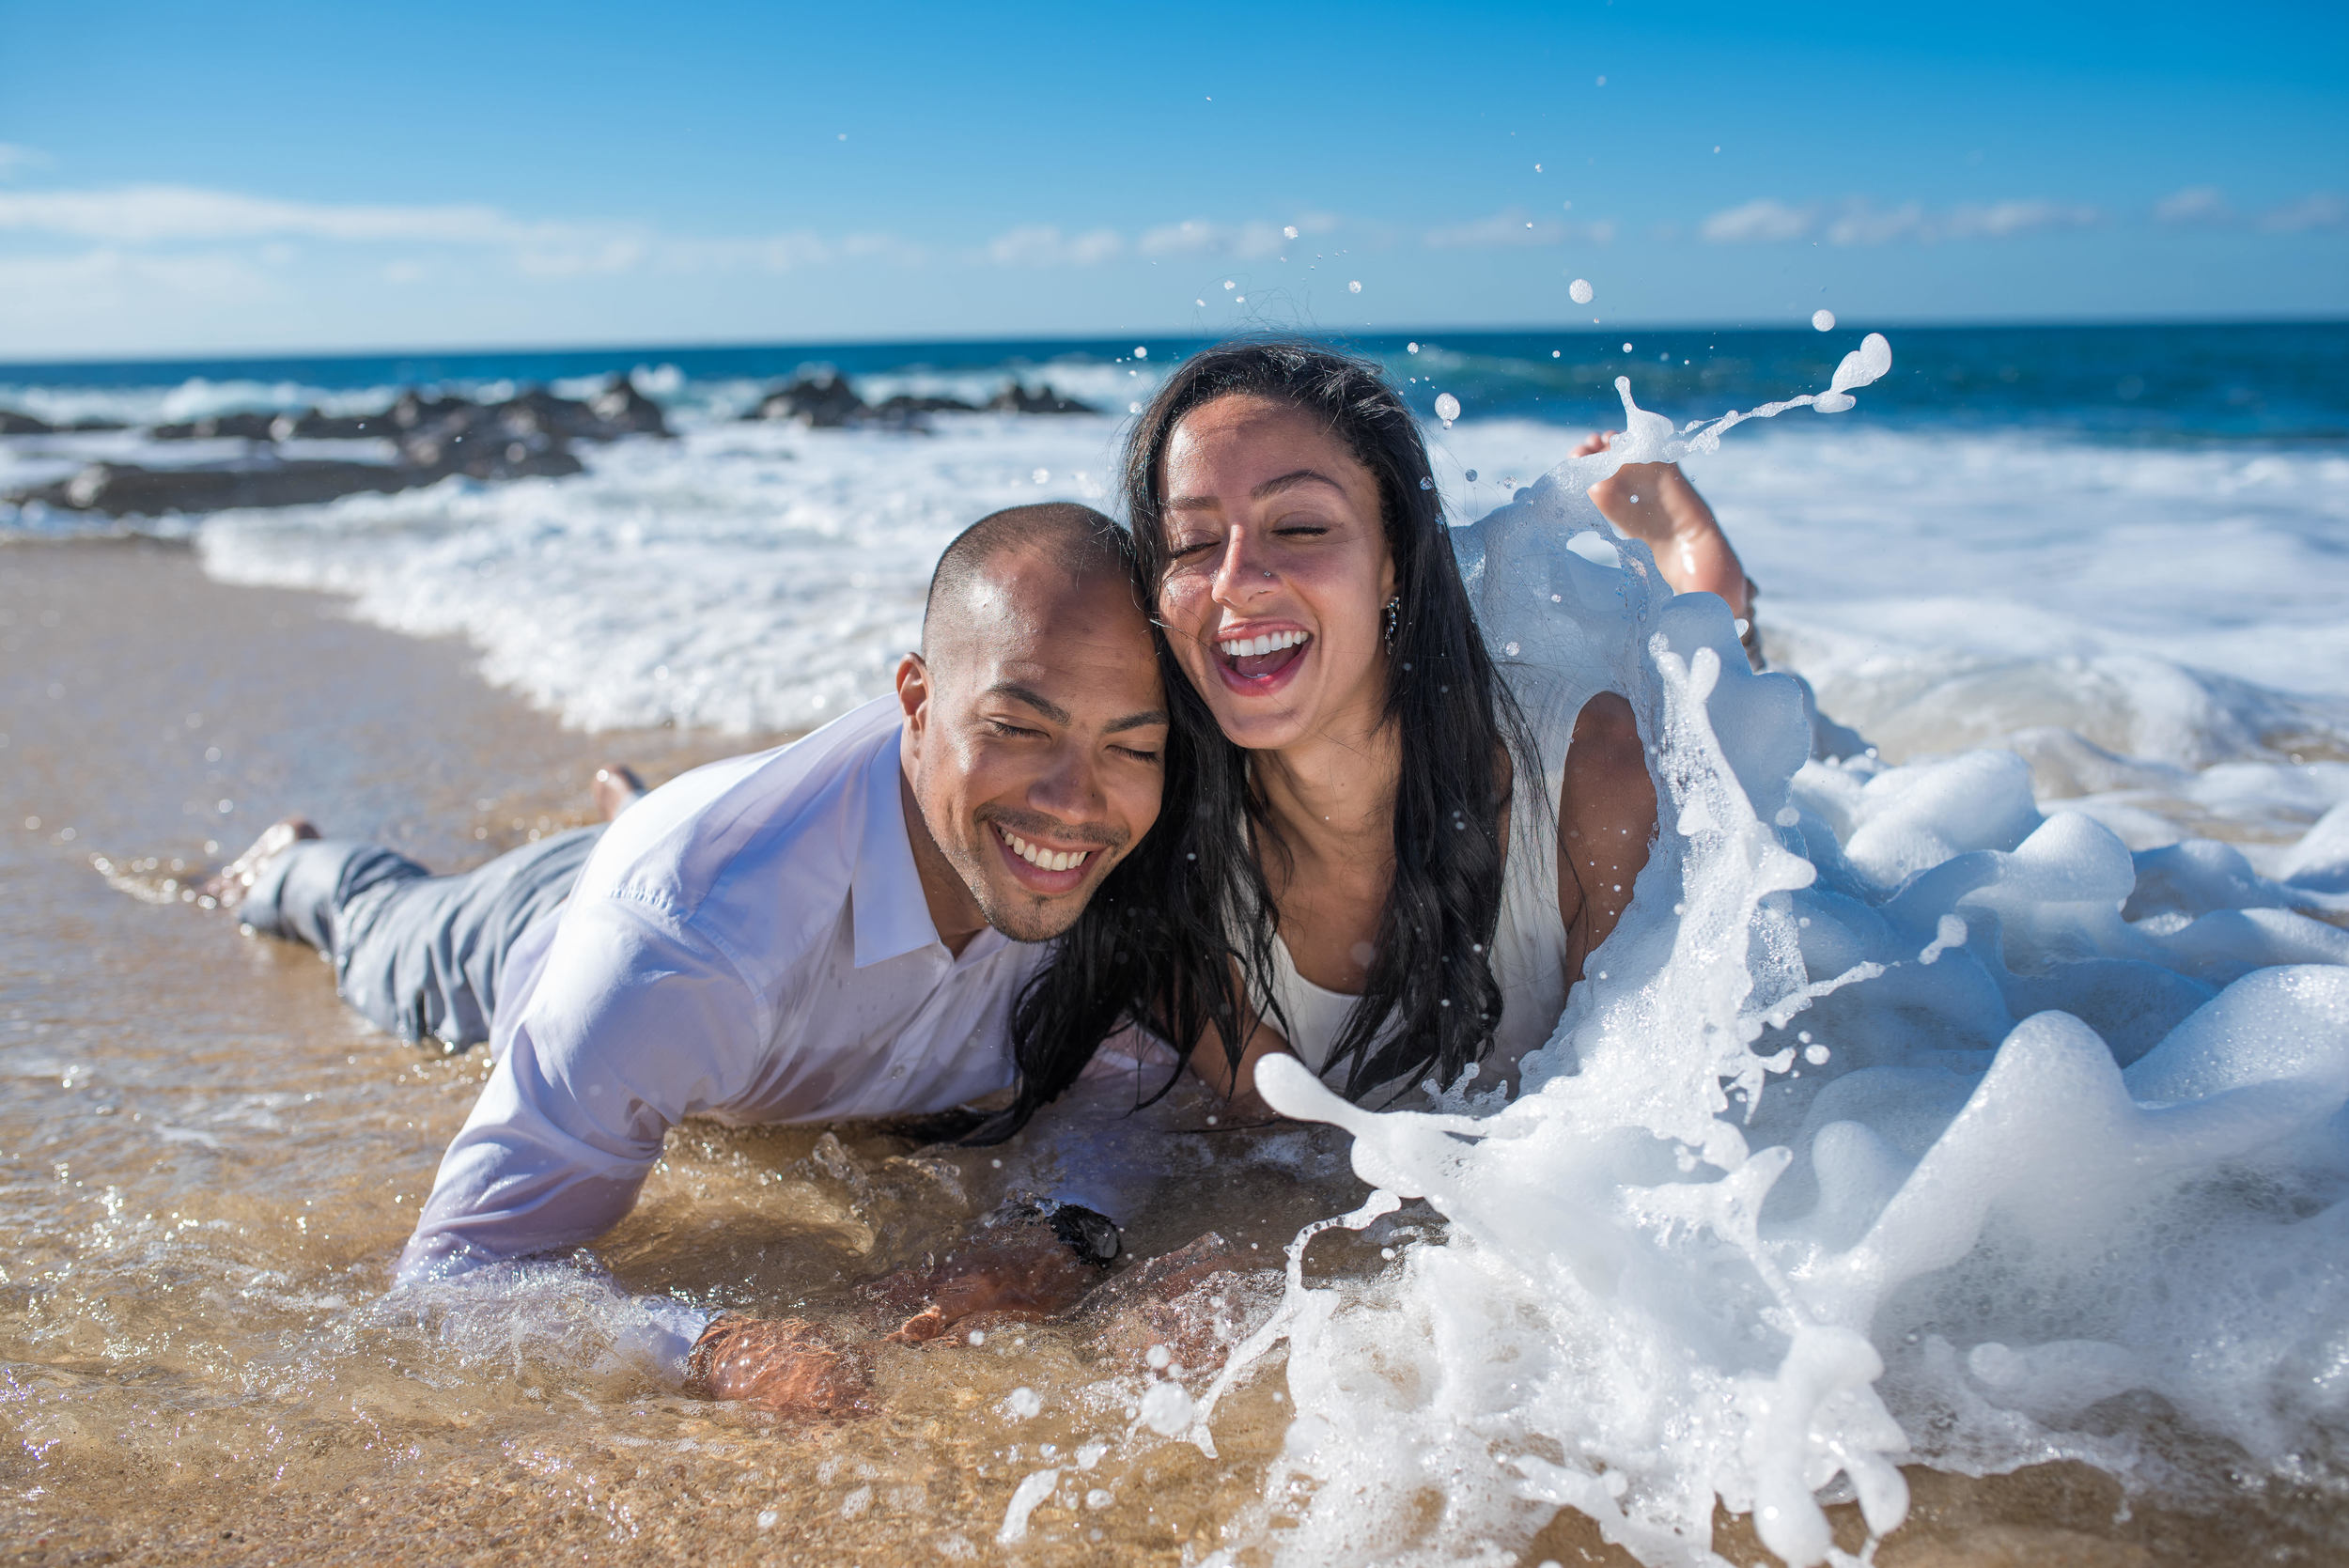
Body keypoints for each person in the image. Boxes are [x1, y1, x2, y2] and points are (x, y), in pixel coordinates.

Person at [207, 503, 1187, 1411]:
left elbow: (1124, 1092)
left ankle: (633, 802)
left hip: (703, 862)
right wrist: (709, 1347)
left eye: (1130, 748)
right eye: (1017, 728)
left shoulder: (1131, 860)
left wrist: (1061, 1223)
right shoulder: (683, 945)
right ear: (917, 703)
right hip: (534, 927)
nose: (1074, 801)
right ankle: (297, 863)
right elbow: (455, 1275)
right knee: (376, 924)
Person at [1067, 339, 1757, 1108]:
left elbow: (1650, 1133)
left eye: (1298, 527)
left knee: (1716, 692)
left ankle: (1706, 571)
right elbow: (1287, 1147)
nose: (1236, 584)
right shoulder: (1167, 853)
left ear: (1395, 554)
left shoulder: (1593, 778)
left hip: (1631, 728)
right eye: (1192, 543)